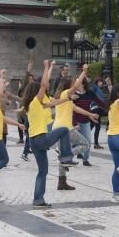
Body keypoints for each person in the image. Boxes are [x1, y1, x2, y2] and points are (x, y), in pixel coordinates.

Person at [22, 60, 78, 209]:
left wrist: (67, 99)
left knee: (42, 171)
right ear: (36, 93)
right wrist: (46, 67)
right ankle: (66, 157)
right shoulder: (35, 102)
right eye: (41, 91)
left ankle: (38, 200)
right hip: (41, 138)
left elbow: (53, 103)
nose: (45, 89)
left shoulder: (36, 105)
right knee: (64, 130)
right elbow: (43, 85)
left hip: (34, 142)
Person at [72, 75, 102, 166]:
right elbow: (69, 110)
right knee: (74, 142)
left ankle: (85, 160)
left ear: (83, 83)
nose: (76, 83)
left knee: (88, 141)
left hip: (85, 121)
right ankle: (67, 158)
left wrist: (110, 106)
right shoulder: (73, 95)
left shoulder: (89, 93)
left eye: (79, 81)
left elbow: (100, 102)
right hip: (75, 121)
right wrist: (74, 123)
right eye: (76, 81)